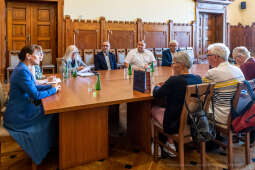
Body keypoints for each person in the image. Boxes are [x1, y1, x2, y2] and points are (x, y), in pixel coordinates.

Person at [4, 45, 61, 165]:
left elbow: (34, 87)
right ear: (28, 56)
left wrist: (51, 86)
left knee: (53, 112)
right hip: (19, 115)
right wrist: (53, 90)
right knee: (53, 113)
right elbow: (35, 94)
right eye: (38, 54)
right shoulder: (22, 71)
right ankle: (47, 148)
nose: (41, 57)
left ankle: (51, 146)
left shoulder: (23, 68)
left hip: (22, 109)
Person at [152, 51, 202, 156]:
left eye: (173, 63)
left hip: (174, 125)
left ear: (181, 65)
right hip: (194, 122)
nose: (172, 65)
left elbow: (157, 94)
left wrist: (157, 86)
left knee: (153, 109)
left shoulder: (174, 80)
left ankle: (166, 144)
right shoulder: (198, 78)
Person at [203, 43, 245, 127]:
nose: (207, 58)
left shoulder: (213, 73)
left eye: (208, 55)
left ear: (215, 57)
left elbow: (202, 92)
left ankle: (199, 135)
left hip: (222, 115)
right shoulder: (237, 69)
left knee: (194, 103)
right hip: (239, 113)